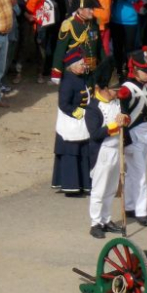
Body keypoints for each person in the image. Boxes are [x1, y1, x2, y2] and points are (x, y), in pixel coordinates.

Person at [85, 59, 129, 237]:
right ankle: (95, 222)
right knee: (99, 189)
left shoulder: (116, 103)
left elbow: (124, 118)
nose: (115, 93)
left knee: (111, 188)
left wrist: (125, 120)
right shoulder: (93, 108)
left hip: (116, 150)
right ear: (101, 88)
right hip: (102, 152)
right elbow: (95, 133)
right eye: (113, 90)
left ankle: (106, 219)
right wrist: (115, 127)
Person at [118, 47, 147, 226]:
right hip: (133, 135)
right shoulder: (126, 90)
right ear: (134, 70)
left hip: (146, 134)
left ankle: (129, 206)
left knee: (134, 174)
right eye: (144, 70)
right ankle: (140, 211)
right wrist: (126, 139)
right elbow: (123, 116)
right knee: (140, 174)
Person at [52, 47, 94, 195]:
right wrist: (78, 113)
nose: (84, 67)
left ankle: (84, 184)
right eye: (82, 64)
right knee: (72, 152)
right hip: (71, 121)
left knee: (83, 153)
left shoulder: (83, 78)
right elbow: (64, 104)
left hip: (83, 119)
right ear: (73, 66)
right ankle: (71, 185)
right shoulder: (68, 82)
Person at [14, 0, 57, 84]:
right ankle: (18, 72)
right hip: (26, 14)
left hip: (41, 14)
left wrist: (44, 12)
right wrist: (25, 14)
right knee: (24, 43)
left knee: (41, 44)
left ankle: (40, 72)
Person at [51, 0, 107, 86]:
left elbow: (99, 46)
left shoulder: (94, 23)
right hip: (75, 70)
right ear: (80, 10)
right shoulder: (69, 25)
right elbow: (60, 50)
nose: (92, 12)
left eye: (92, 9)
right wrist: (57, 72)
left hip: (91, 70)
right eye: (89, 9)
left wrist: (105, 64)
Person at [110, 0, 142, 81]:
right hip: (116, 20)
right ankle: (118, 71)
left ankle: (129, 71)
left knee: (129, 49)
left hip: (130, 22)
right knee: (117, 48)